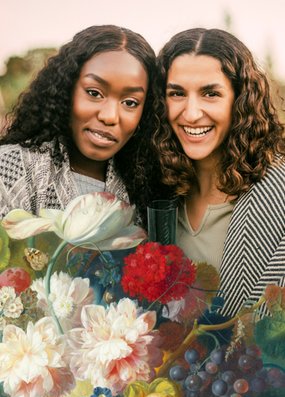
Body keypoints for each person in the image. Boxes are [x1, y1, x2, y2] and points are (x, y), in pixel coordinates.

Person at [154, 28, 285, 316]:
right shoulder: (154, 188)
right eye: (177, 93)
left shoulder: (279, 193)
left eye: (210, 94)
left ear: (239, 100)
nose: (191, 113)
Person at [0, 24, 165, 227]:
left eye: (130, 103)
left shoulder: (147, 190)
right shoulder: (9, 167)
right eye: (94, 93)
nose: (109, 116)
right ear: (67, 90)